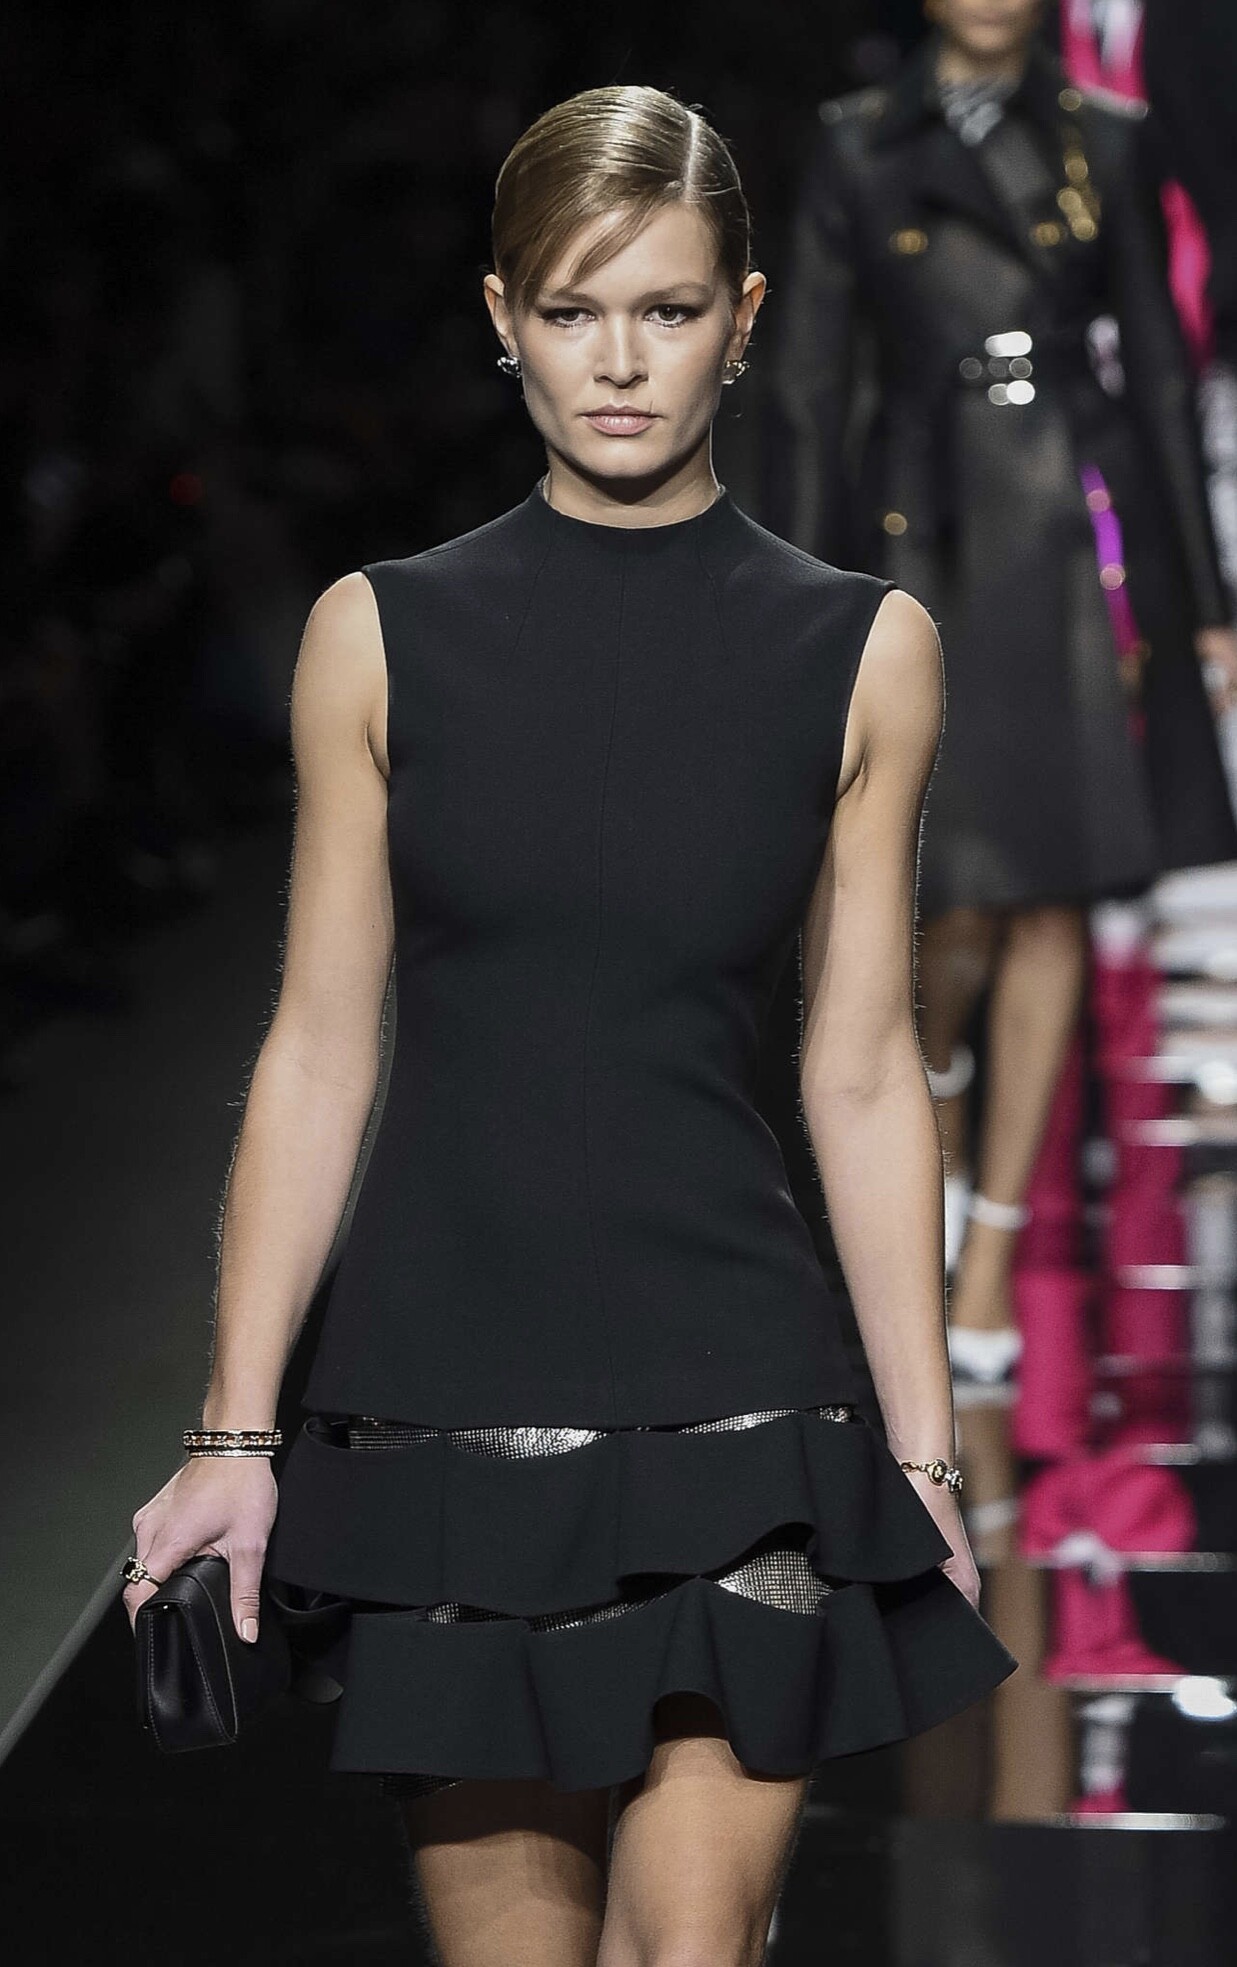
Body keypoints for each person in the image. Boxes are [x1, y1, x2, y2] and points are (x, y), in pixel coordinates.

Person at [123, 85, 1015, 1966]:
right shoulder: (380, 635)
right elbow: (319, 1047)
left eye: (668, 310)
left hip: (747, 1398)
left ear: (743, 318)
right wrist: (236, 1432)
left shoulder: (861, 649)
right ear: (501, 317)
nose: (619, 363)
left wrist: (923, 1457)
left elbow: (861, 1067)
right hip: (449, 1404)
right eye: (572, 309)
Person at [762, 0, 1237, 1402]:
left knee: (1053, 900)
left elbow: (1159, 371)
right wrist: (791, 607)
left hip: (1073, 540)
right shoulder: (857, 145)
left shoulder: (1110, 139)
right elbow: (806, 390)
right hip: (925, 535)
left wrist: (1205, 598)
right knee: (944, 902)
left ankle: (992, 1248)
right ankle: (946, 1143)